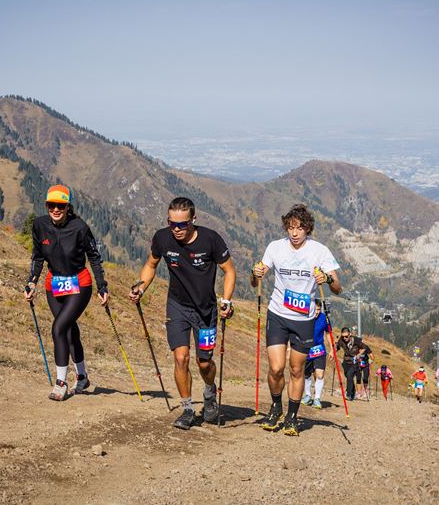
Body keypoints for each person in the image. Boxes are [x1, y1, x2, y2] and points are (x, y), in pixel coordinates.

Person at [128, 197, 235, 430]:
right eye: (172, 224)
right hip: (177, 306)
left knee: (204, 363)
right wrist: (141, 287)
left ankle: (209, 393)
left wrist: (226, 300)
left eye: (182, 224)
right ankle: (187, 408)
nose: (176, 229)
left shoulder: (211, 239)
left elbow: (229, 271)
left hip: (206, 310)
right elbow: (151, 264)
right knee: (181, 357)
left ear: (193, 220)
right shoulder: (162, 238)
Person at [251, 204, 342, 436]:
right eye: (290, 228)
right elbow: (255, 280)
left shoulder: (319, 251)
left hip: (304, 319)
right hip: (278, 313)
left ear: (307, 229)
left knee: (296, 369)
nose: (294, 233)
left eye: (300, 228)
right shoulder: (275, 247)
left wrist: (327, 279)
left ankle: (292, 416)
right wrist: (255, 274)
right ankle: (275, 407)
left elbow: (338, 288)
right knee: (276, 367)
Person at [24, 185, 109, 401]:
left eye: (60, 205)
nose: (55, 209)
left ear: (67, 207)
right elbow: (38, 256)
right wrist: (32, 281)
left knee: (58, 328)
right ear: (46, 206)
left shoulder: (79, 227)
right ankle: (82, 377)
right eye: (51, 205)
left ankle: (60, 382)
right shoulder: (40, 225)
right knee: (69, 331)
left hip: (79, 284)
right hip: (54, 286)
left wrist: (102, 286)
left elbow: (94, 257)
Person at [301, 300, 331, 410]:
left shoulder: (324, 318)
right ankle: (308, 396)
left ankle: (317, 399)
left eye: (319, 310)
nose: (317, 312)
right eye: (315, 310)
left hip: (319, 349)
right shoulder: (305, 317)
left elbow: (328, 334)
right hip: (307, 349)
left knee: (320, 374)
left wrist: (332, 349)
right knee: (307, 374)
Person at [334, 327, 367, 402]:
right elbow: (337, 348)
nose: (344, 338)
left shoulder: (356, 340)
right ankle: (353, 391)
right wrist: (334, 349)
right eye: (343, 336)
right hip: (346, 361)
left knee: (349, 375)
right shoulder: (341, 340)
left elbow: (364, 347)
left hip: (354, 361)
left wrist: (359, 354)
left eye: (346, 336)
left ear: (350, 334)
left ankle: (348, 394)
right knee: (348, 377)